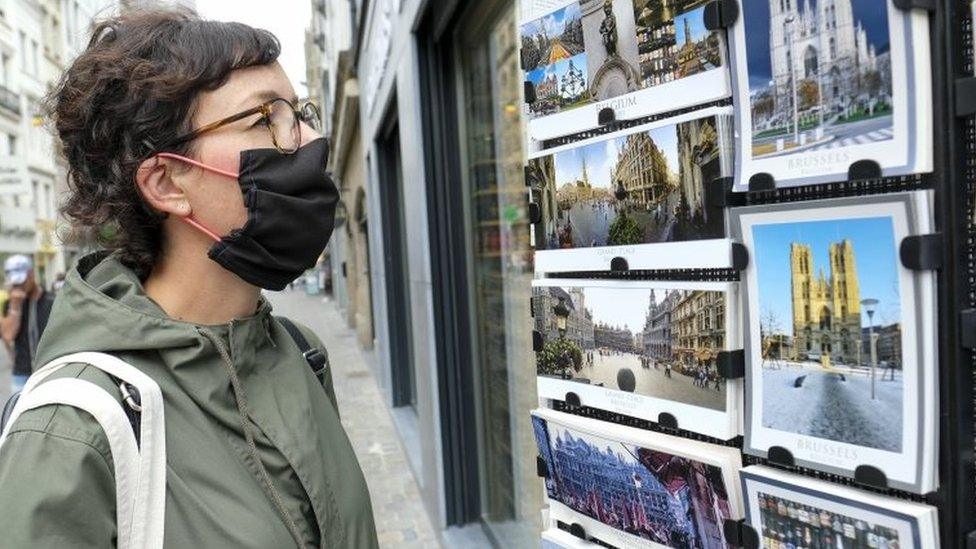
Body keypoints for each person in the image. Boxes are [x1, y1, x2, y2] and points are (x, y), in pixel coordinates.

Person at [0, 9, 377, 548]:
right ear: (166, 182)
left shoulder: (298, 352)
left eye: (299, 112)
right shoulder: (71, 430)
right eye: (264, 119)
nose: (308, 139)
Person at [0, 255, 56, 394]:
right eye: (15, 283)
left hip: (48, 371)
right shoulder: (11, 304)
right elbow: (7, 336)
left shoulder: (52, 302)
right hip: (21, 373)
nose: (19, 286)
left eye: (21, 281)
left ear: (31, 274)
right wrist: (15, 306)